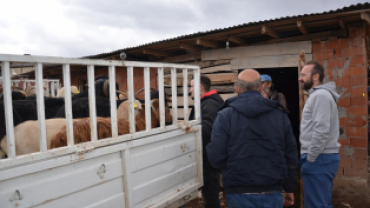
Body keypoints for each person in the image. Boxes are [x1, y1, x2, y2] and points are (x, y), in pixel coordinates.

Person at [206, 69, 298, 208]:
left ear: (237, 88)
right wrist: (289, 187)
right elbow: (290, 154)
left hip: (238, 192)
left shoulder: (225, 115)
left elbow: (216, 158)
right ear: (261, 87)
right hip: (272, 192)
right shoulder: (280, 115)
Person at [298, 60, 341, 208]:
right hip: (321, 158)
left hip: (319, 158)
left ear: (316, 76)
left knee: (317, 205)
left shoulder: (320, 96)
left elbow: (321, 130)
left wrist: (311, 158)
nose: (300, 78)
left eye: (303, 74)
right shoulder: (319, 95)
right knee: (320, 203)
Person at [188, 74, 224, 208]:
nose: (190, 90)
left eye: (191, 87)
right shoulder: (206, 102)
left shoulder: (209, 103)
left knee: (211, 197)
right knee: (209, 195)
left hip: (209, 159)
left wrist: (189, 128)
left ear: (200, 88)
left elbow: (208, 129)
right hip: (208, 157)